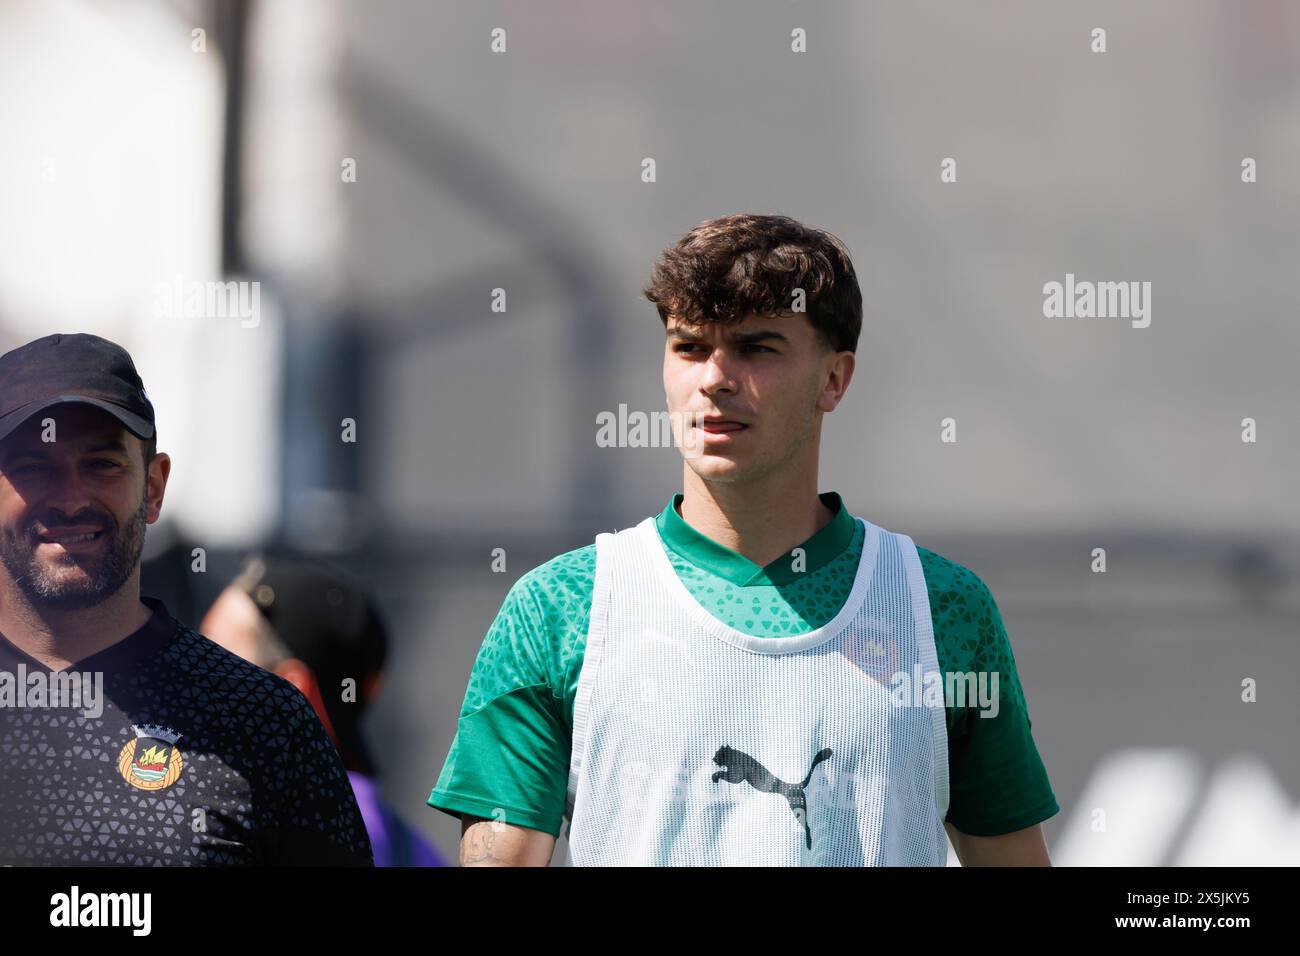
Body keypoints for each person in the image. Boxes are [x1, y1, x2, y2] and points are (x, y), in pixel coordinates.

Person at [428, 214, 1059, 866]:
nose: (715, 379)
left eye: (757, 348)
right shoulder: (560, 607)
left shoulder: (945, 609)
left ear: (834, 379)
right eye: (690, 347)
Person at [0, 332, 372, 865]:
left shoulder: (263, 722)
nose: (70, 498)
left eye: (102, 464)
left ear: (153, 487)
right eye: (34, 467)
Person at [202, 554, 447, 866]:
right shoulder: (411, 847)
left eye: (213, 656)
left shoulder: (304, 828)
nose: (188, 668)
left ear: (289, 688)